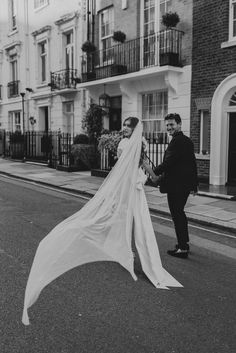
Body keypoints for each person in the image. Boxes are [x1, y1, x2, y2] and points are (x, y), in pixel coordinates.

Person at [22, 117, 182, 326]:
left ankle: (127, 252)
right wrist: (151, 177)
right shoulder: (129, 143)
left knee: (134, 225)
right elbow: (128, 167)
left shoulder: (133, 144)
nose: (123, 129)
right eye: (123, 125)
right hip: (129, 190)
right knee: (126, 223)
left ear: (134, 129)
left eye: (127, 126)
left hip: (133, 191)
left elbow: (140, 163)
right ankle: (124, 251)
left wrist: (154, 177)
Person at [152, 113, 198, 259]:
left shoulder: (178, 141)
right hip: (183, 185)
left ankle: (183, 248)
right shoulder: (186, 141)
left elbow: (168, 163)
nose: (169, 128)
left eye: (171, 124)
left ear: (179, 124)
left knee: (177, 215)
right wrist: (194, 185)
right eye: (167, 125)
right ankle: (184, 243)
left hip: (177, 186)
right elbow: (192, 164)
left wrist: (153, 171)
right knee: (180, 214)